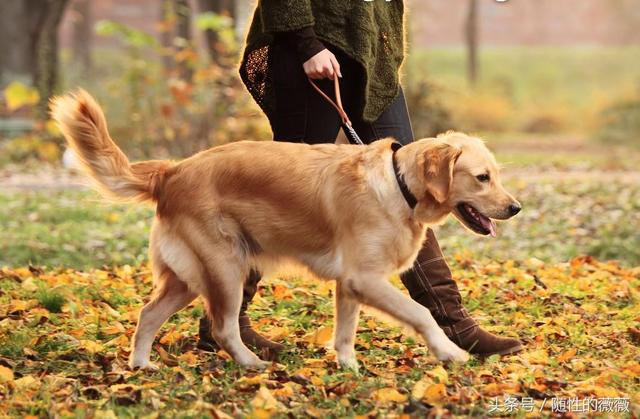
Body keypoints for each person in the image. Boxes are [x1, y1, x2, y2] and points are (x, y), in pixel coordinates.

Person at [197, 1, 523, 357]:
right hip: (313, 51)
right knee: (283, 191)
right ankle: (226, 323)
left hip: (372, 56)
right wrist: (307, 44)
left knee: (417, 187)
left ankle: (453, 322)